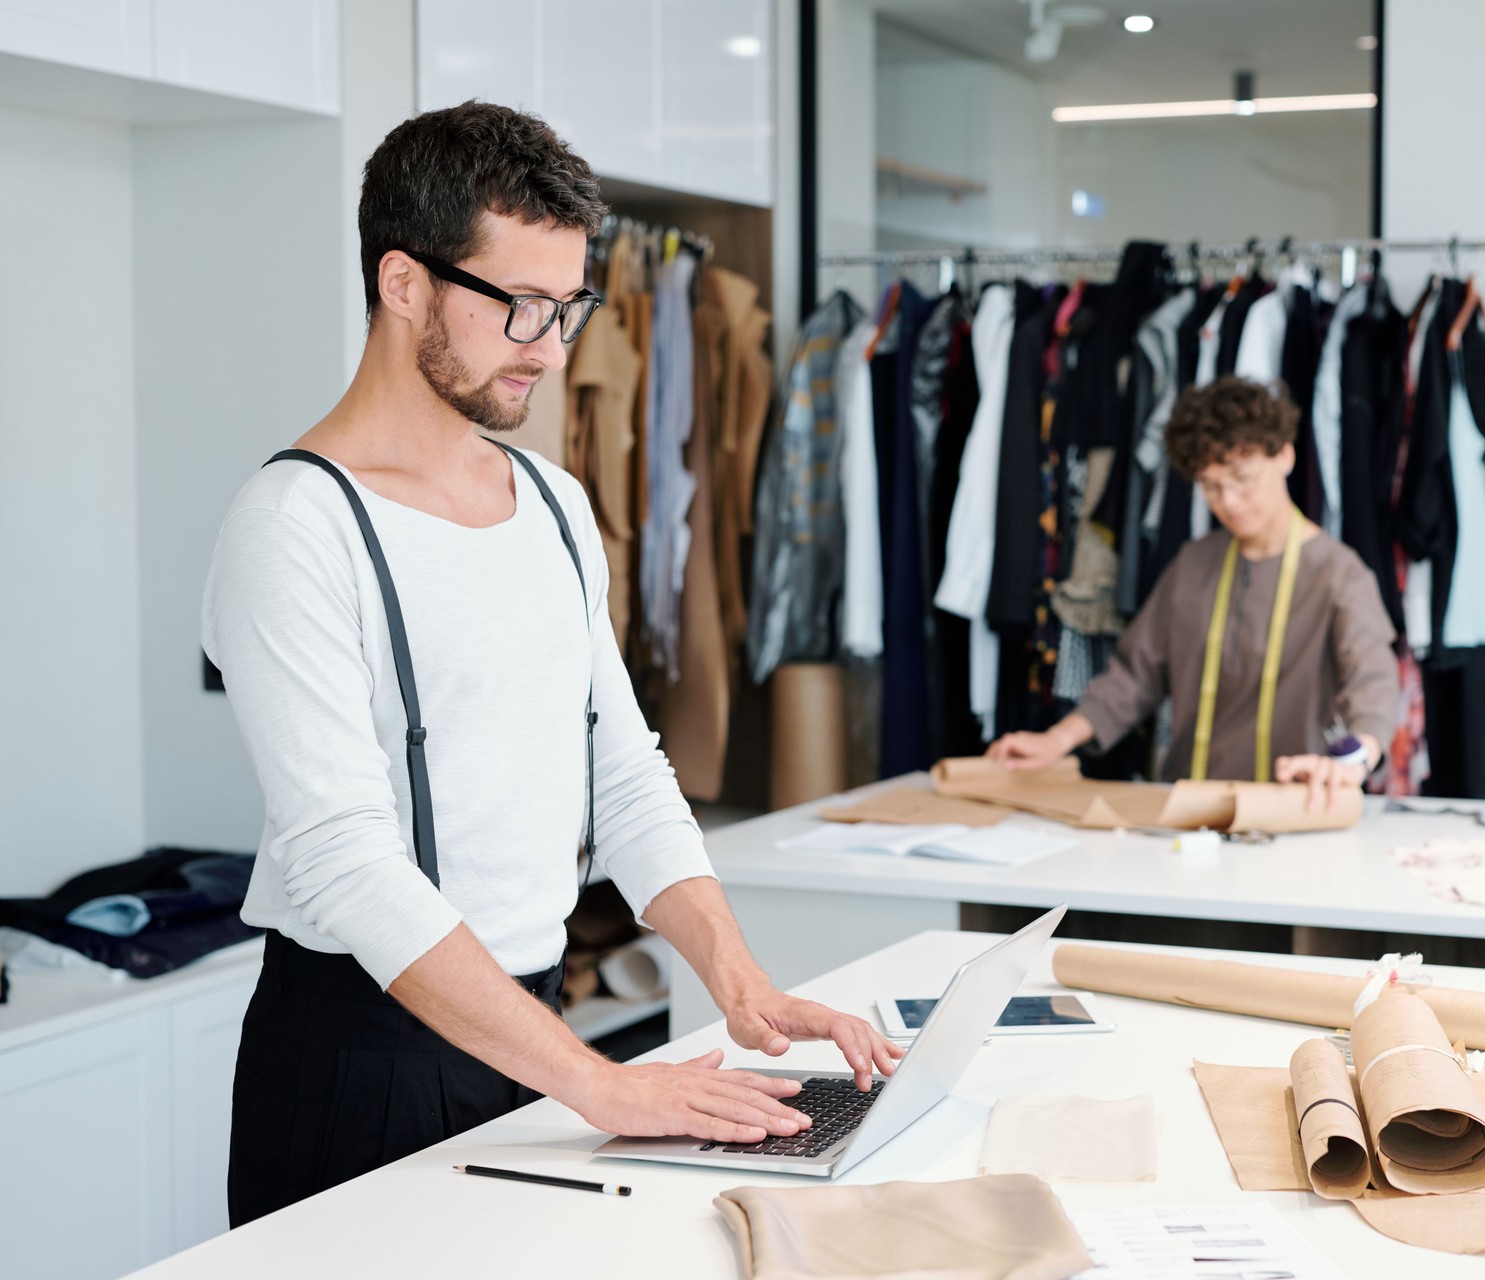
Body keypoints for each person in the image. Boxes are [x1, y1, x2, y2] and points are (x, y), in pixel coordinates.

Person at [203, 102, 900, 1228]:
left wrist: (739, 981)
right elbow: (343, 859)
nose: (552, 345)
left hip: (534, 1034)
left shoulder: (559, 507)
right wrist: (599, 1078)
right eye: (520, 305)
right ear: (404, 284)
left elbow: (623, 774)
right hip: (362, 1057)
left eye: (568, 305)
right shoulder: (293, 523)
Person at [986, 377, 1398, 810]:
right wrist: (1057, 740)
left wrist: (1354, 757)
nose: (1230, 501)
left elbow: (1371, 682)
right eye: (1211, 486)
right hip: (1189, 812)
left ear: (1285, 456)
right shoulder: (1193, 565)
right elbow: (1132, 676)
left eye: (1243, 478)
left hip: (1292, 813)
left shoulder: (1339, 574)